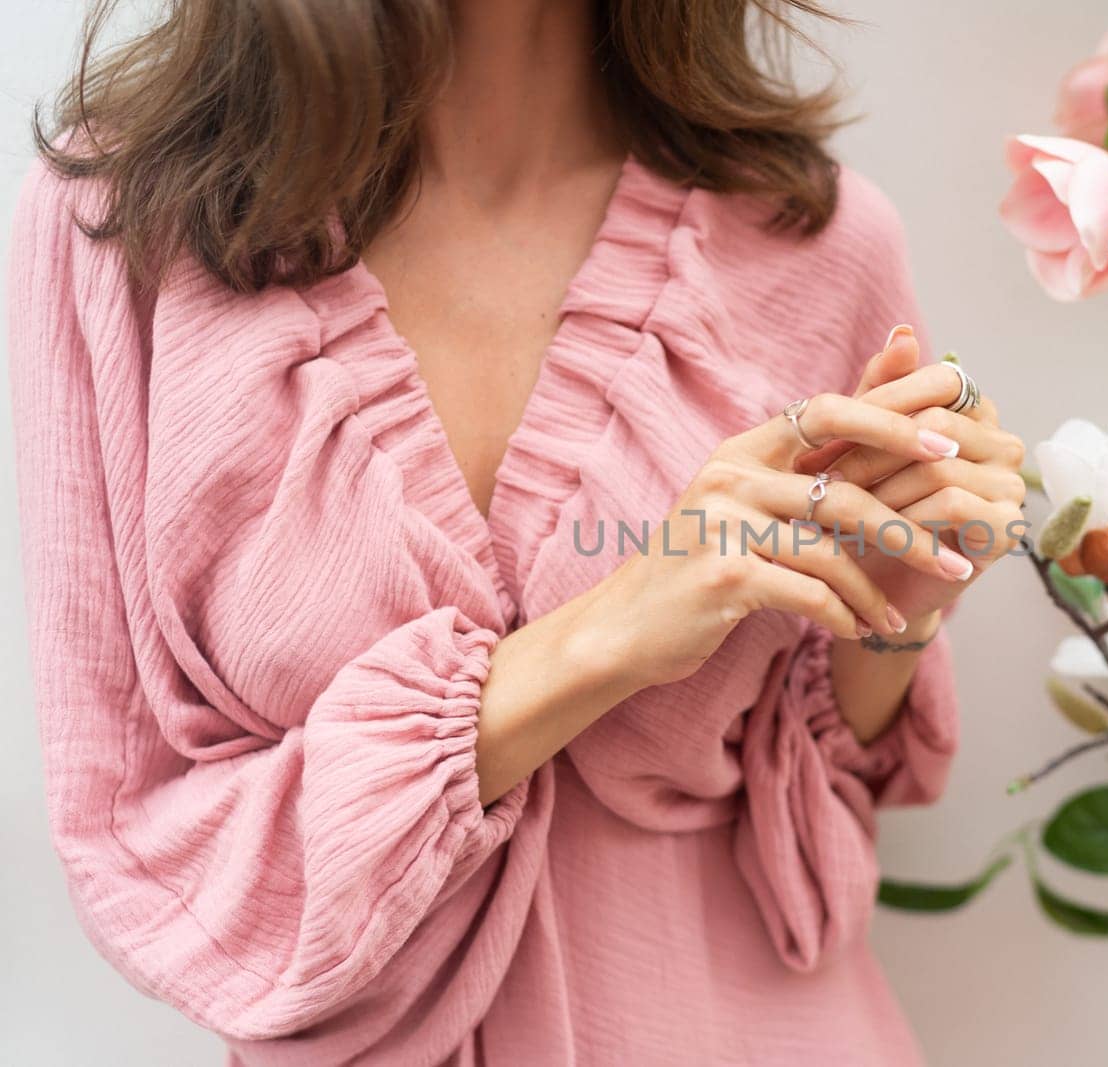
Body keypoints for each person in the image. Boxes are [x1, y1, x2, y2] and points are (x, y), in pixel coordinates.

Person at [9, 0, 1026, 1062]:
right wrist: (599, 640)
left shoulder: (815, 234)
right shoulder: (123, 222)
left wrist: (900, 602)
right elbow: (138, 842)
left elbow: (815, 806)